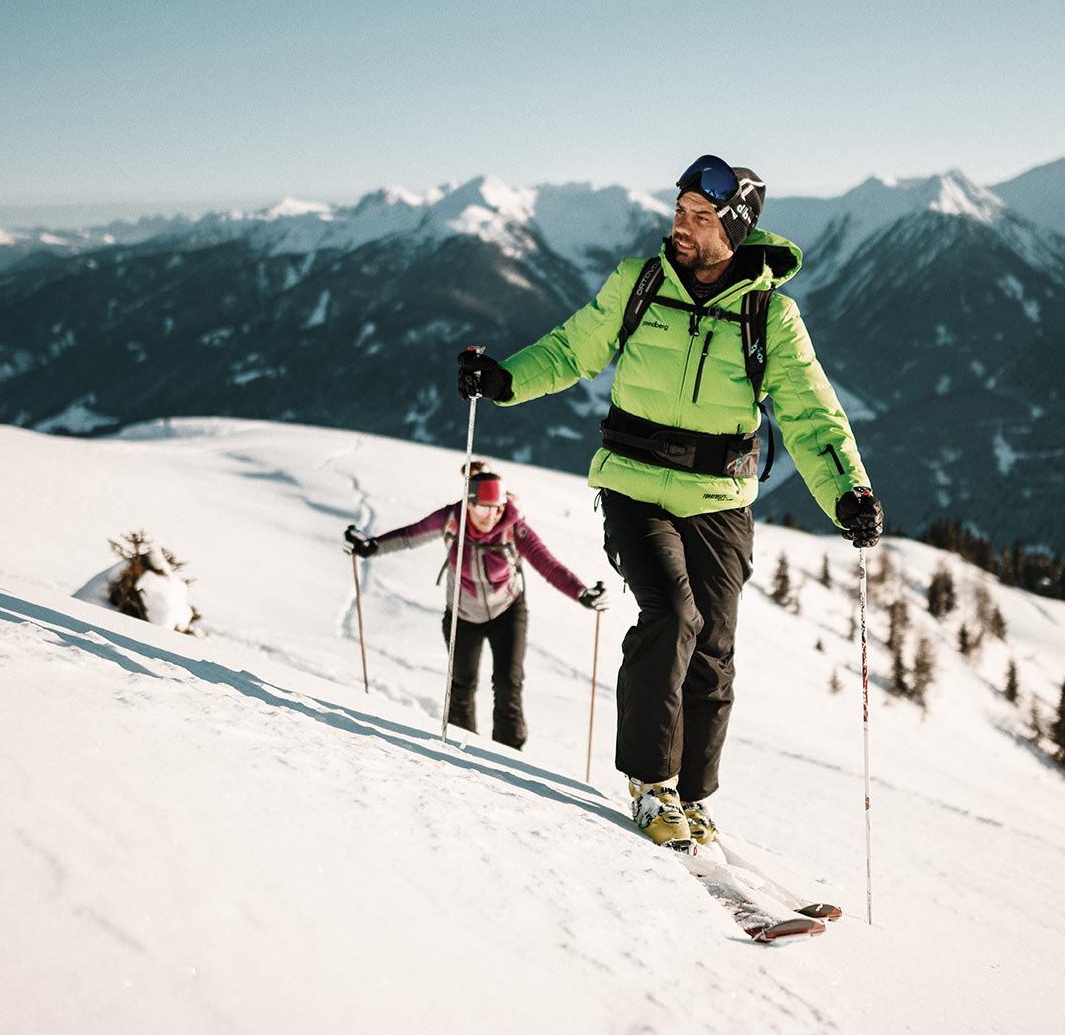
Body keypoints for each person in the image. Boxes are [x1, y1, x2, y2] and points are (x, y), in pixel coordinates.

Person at [454, 154, 882, 846]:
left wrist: (849, 494)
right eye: (679, 211)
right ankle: (651, 783)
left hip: (719, 497)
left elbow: (811, 415)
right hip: (633, 484)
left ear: (734, 229)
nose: (681, 226)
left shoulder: (770, 315)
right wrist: (504, 381)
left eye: (700, 217)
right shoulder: (639, 281)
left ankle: (693, 793)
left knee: (713, 642)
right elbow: (571, 351)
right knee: (671, 612)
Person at [344, 463, 606, 750]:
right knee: (461, 685)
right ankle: (462, 751)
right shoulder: (451, 520)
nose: (491, 516)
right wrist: (371, 546)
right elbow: (409, 535)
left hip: (507, 611)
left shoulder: (514, 528)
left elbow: (548, 565)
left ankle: (509, 755)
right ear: (468, 505)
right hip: (462, 613)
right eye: (482, 509)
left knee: (508, 684)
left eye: (496, 508)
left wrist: (582, 593)